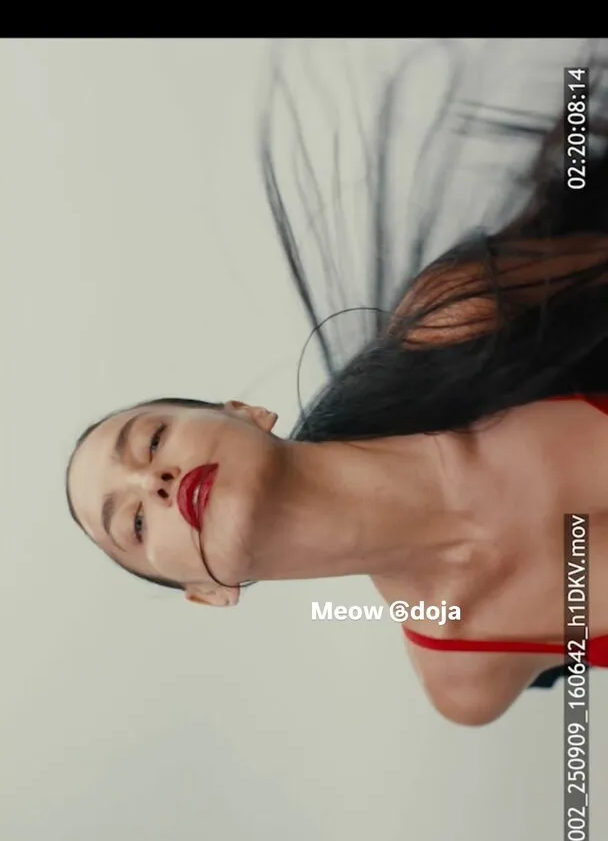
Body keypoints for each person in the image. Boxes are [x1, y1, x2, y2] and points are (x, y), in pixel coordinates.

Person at [66, 38, 608, 725]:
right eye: (137, 523)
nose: (155, 483)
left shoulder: (457, 321)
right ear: (207, 592)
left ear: (244, 410)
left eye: (151, 442)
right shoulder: (468, 680)